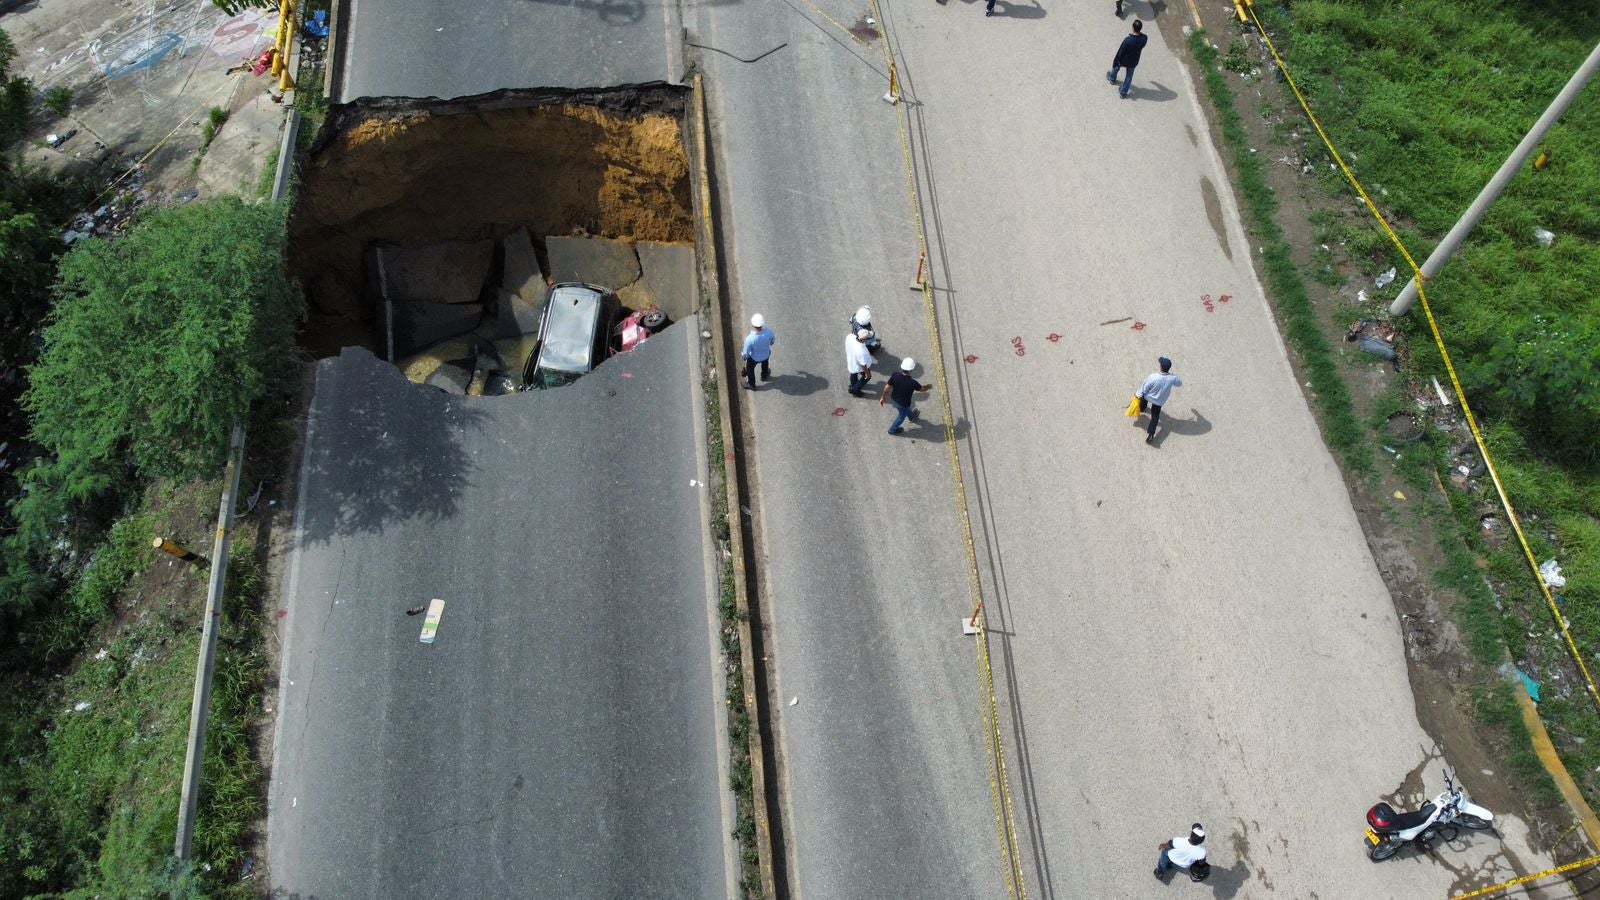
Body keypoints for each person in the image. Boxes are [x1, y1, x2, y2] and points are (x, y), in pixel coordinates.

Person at [1136, 356, 1183, 445]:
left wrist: (1138, 395)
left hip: (1149, 397)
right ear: (1168, 369)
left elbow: (1144, 388)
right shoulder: (1172, 378)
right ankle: (1151, 434)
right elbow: (1180, 383)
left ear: (1160, 367)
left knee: (1143, 398)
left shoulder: (1153, 376)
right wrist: (1173, 375)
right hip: (1159, 401)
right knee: (1155, 416)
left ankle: (1142, 408)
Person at [880, 357, 932, 434]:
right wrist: (928, 386)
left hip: (894, 399)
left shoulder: (895, 375)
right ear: (911, 370)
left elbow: (887, 387)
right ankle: (892, 430)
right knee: (901, 416)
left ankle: (911, 417)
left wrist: (883, 397)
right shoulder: (913, 383)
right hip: (903, 403)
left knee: (904, 409)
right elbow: (922, 389)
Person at [1107, 19, 1149, 99]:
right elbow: (1144, 36)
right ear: (1140, 29)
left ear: (1133, 28)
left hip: (1124, 60)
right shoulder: (1144, 39)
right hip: (1133, 61)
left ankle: (1112, 78)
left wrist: (1116, 61)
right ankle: (1123, 93)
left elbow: (1121, 52)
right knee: (1129, 76)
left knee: (1116, 67)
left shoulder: (1128, 40)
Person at [740, 314, 775, 390]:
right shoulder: (769, 332)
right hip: (766, 354)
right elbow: (772, 341)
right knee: (765, 364)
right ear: (762, 324)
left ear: (753, 325)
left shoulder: (750, 339)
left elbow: (746, 353)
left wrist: (744, 356)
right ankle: (764, 375)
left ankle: (751, 384)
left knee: (750, 368)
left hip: (754, 358)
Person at [845, 329, 874, 396]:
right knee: (867, 377)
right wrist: (867, 373)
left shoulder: (850, 336)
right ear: (863, 340)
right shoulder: (861, 351)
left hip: (851, 361)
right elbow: (863, 364)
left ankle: (853, 384)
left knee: (853, 373)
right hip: (859, 366)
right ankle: (854, 390)